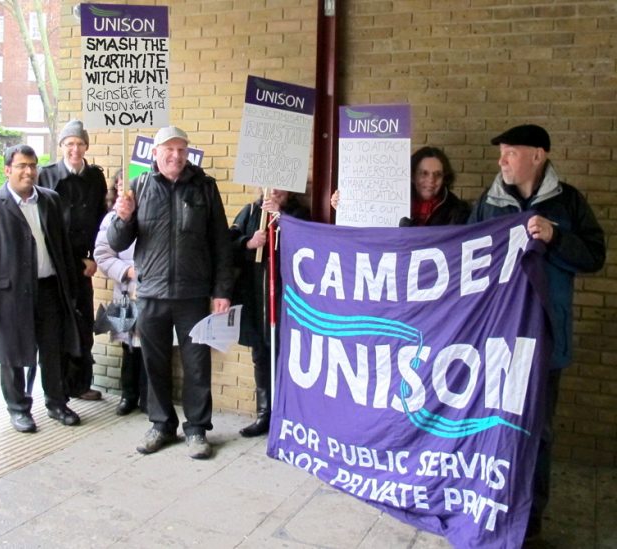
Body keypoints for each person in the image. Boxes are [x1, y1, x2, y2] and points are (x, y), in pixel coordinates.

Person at [468, 124, 605, 543]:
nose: (502, 160)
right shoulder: (487, 206)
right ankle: (490, 510)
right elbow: (460, 255)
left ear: (537, 155)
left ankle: (530, 524)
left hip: (545, 341)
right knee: (490, 429)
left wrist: (556, 236)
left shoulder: (569, 203)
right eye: (502, 153)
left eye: (510, 152)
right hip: (495, 343)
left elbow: (594, 257)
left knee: (538, 434)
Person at [107, 126, 233, 460]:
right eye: (169, 149)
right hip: (150, 294)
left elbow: (220, 242)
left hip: (192, 295)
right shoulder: (140, 187)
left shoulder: (204, 188)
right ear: (155, 152)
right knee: (155, 363)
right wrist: (122, 218)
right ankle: (161, 424)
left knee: (196, 365)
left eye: (181, 149)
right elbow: (118, 242)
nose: (176, 155)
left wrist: (221, 289)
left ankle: (196, 429)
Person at [0, 145, 82, 432]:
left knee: (53, 350)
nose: (29, 172)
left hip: (49, 290)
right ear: (7, 170)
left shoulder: (51, 201)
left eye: (33, 165)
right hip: (9, 294)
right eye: (21, 166)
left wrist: (70, 289)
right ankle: (19, 409)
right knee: (12, 354)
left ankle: (57, 403)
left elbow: (62, 247)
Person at [229, 189, 310, 437]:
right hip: (256, 297)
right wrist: (248, 243)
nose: (274, 189)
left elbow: (310, 242)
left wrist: (283, 219)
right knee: (261, 356)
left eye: (280, 184)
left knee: (289, 356)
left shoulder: (299, 213)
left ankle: (289, 416)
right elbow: (228, 244)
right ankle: (265, 414)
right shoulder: (250, 212)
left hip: (288, 298)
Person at [38, 120, 108, 401]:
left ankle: (80, 384)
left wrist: (94, 258)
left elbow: (101, 221)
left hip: (84, 267)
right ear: (61, 147)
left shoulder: (95, 177)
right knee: (58, 327)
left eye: (79, 144)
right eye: (70, 144)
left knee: (83, 324)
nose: (74, 149)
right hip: (56, 266)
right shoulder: (46, 175)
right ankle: (59, 389)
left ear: (86, 146)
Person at [94, 169, 148, 416]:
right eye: (119, 184)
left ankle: (150, 397)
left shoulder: (150, 214)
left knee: (153, 347)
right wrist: (126, 271)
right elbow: (103, 255)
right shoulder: (111, 219)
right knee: (128, 347)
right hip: (127, 291)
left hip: (154, 291)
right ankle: (129, 395)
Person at [331, 146, 470, 226]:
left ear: (445, 177)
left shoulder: (457, 211)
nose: (431, 180)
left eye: (437, 174)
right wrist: (346, 206)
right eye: (424, 173)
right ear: (412, 175)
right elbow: (366, 218)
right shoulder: (391, 197)